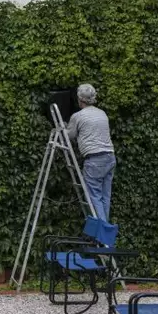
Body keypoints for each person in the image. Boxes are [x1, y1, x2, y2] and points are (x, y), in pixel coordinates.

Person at [66, 84, 116, 222]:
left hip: (94, 159)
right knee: (105, 198)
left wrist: (62, 127)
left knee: (94, 197)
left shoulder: (78, 116)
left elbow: (68, 136)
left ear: (79, 99)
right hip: (110, 157)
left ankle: (102, 235)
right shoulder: (102, 113)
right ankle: (105, 232)